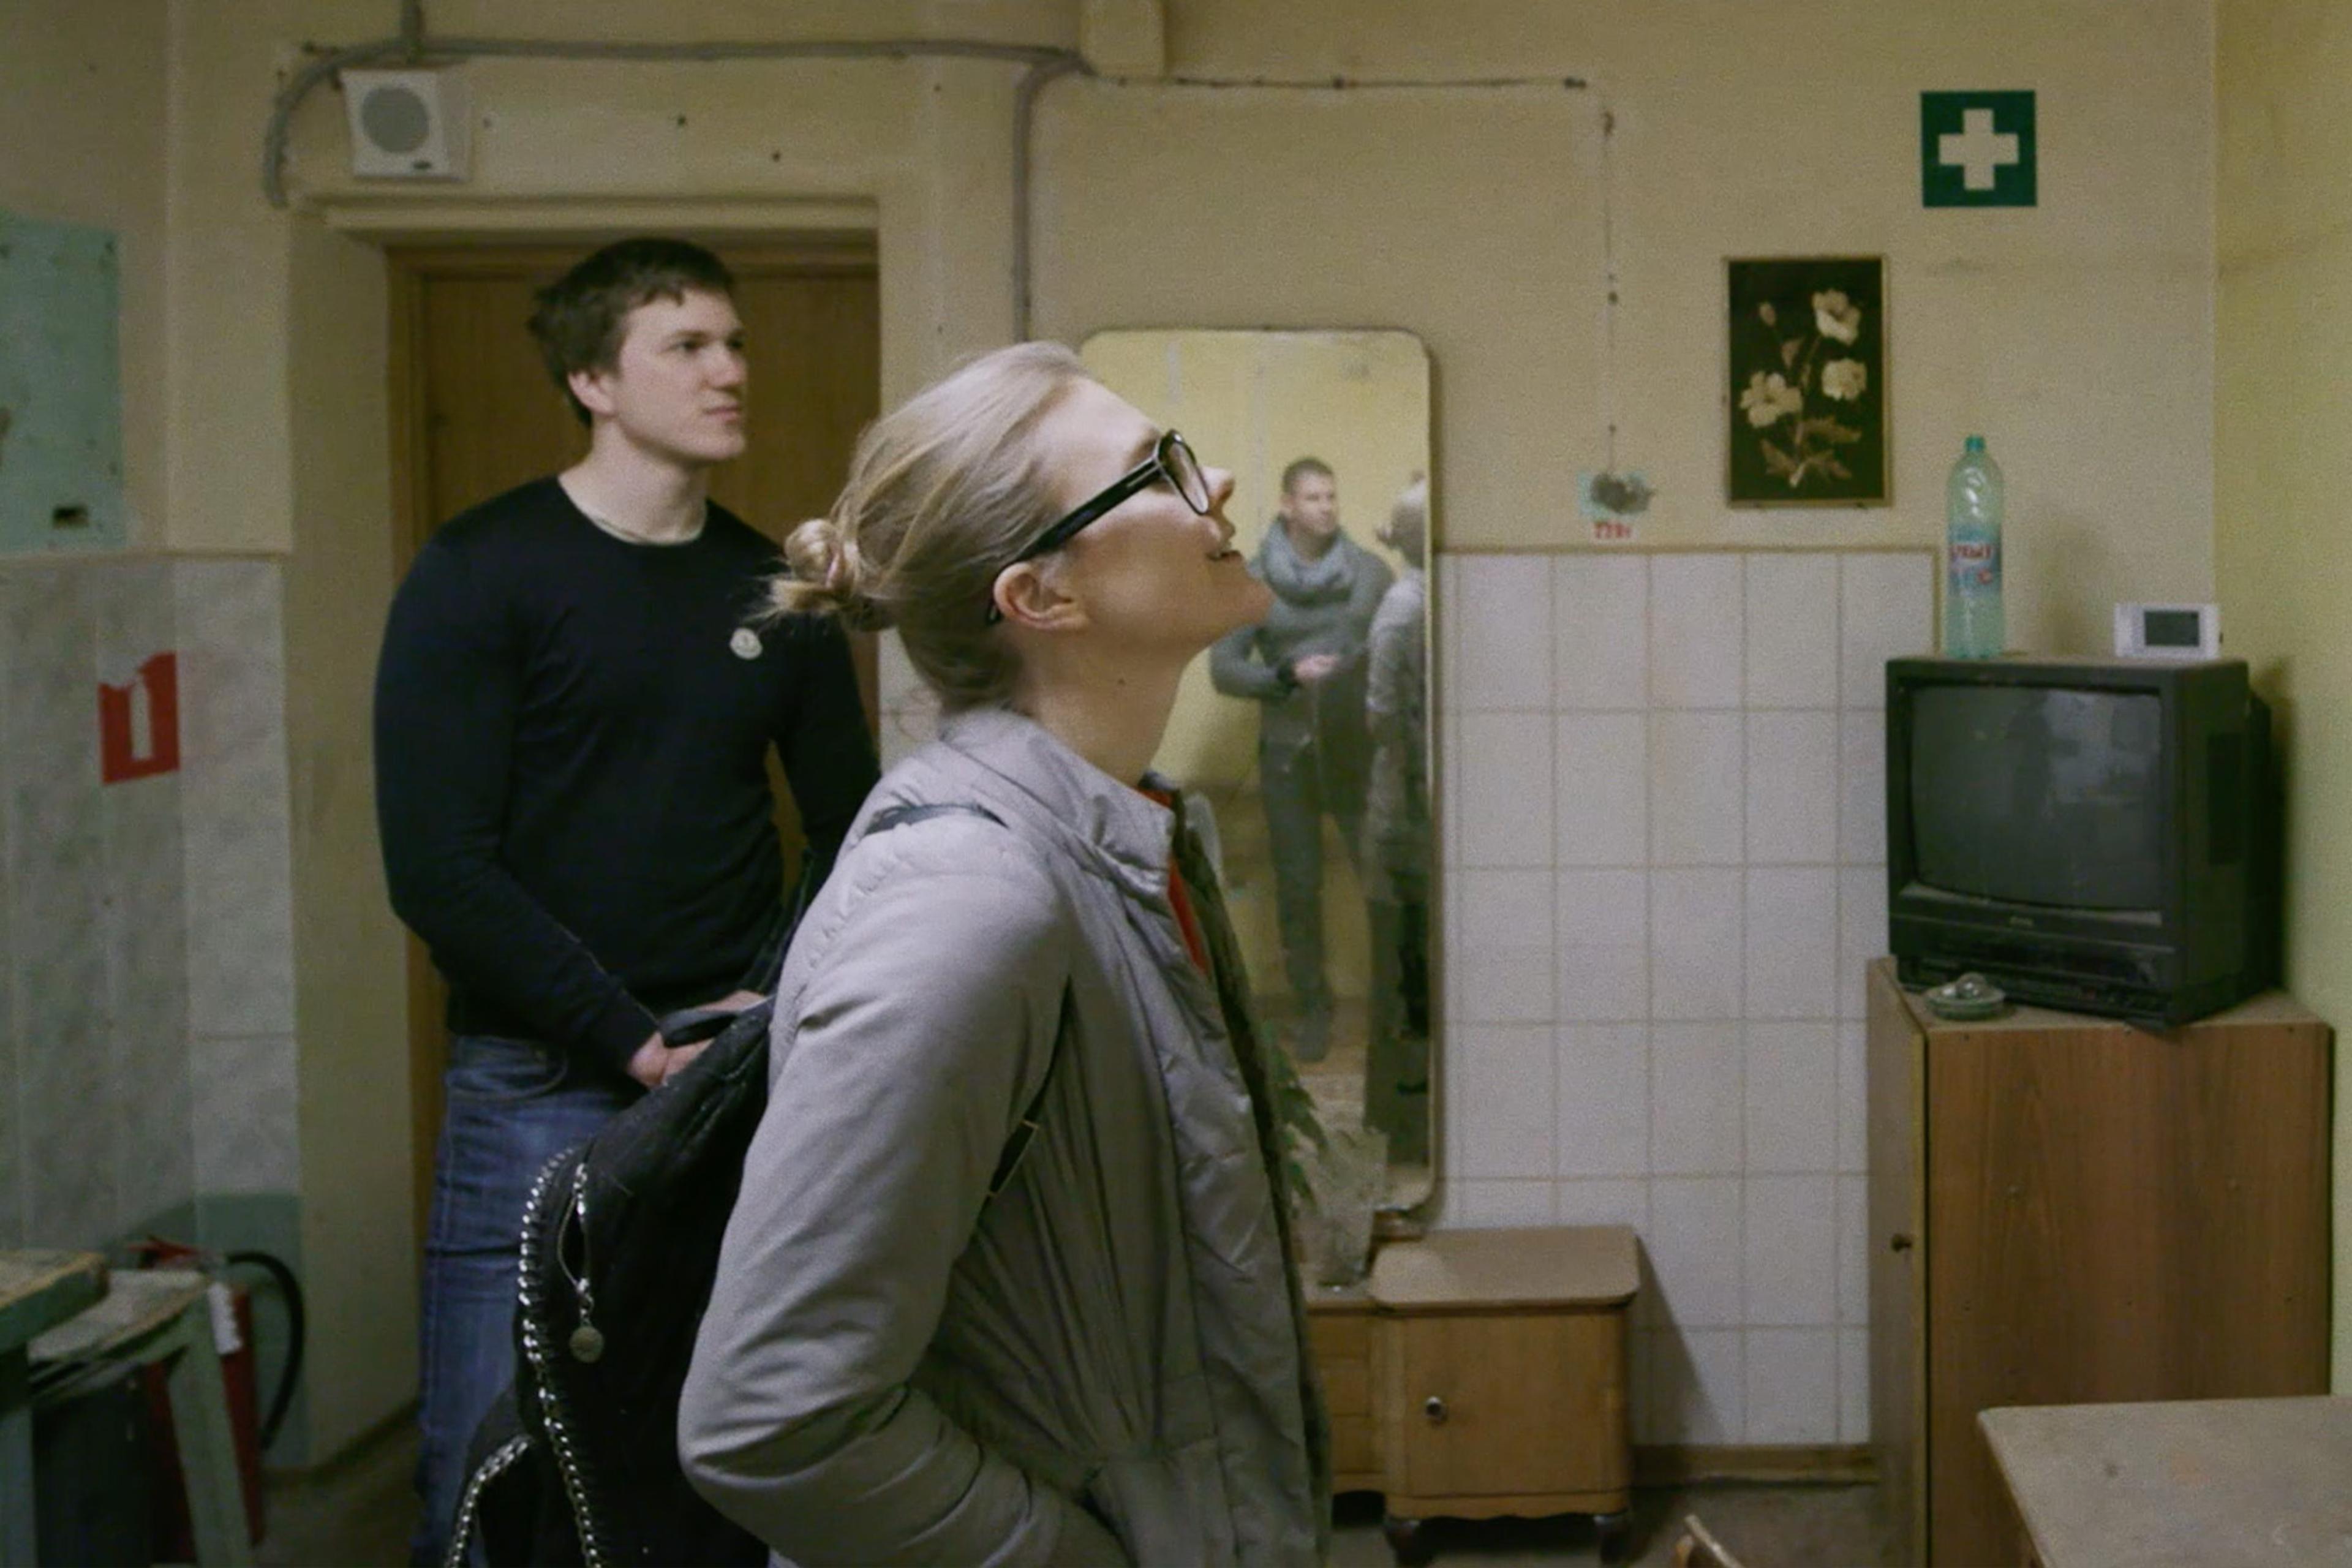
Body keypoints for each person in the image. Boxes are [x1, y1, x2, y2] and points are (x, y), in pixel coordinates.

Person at [679, 343, 1329, 1566]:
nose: (1222, 480)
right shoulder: (971, 901)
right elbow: (772, 1418)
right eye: (1159, 470)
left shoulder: (1124, 837)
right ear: (1043, 597)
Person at [372, 237, 878, 1566]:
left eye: (736, 342)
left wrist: (766, 1000)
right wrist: (630, 1036)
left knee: (711, 1443)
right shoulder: (481, 571)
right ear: (596, 378)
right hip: (537, 1079)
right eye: (689, 346)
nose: (729, 372)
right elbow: (437, 870)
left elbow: (850, 832)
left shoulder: (777, 588)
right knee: (491, 1464)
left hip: (728, 1076)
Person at [1210, 458, 1392, 1061]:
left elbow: (1400, 660)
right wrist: (1287, 672)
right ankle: (1313, 1008)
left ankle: (1398, 1005)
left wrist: (1352, 675)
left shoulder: (1370, 574)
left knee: (1384, 876)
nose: (1327, 508)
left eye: (1332, 497)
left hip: (1357, 753)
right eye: (1313, 498)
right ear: (1288, 505)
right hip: (1288, 753)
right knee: (1298, 885)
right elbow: (1225, 669)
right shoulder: (1256, 580)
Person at [1363, 475, 1431, 1164]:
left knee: (1413, 990)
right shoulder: (1404, 610)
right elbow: (1384, 720)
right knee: (1401, 994)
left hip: (1413, 822)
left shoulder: (1421, 604)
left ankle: (1405, 1134)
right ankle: (1394, 1140)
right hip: (1402, 828)